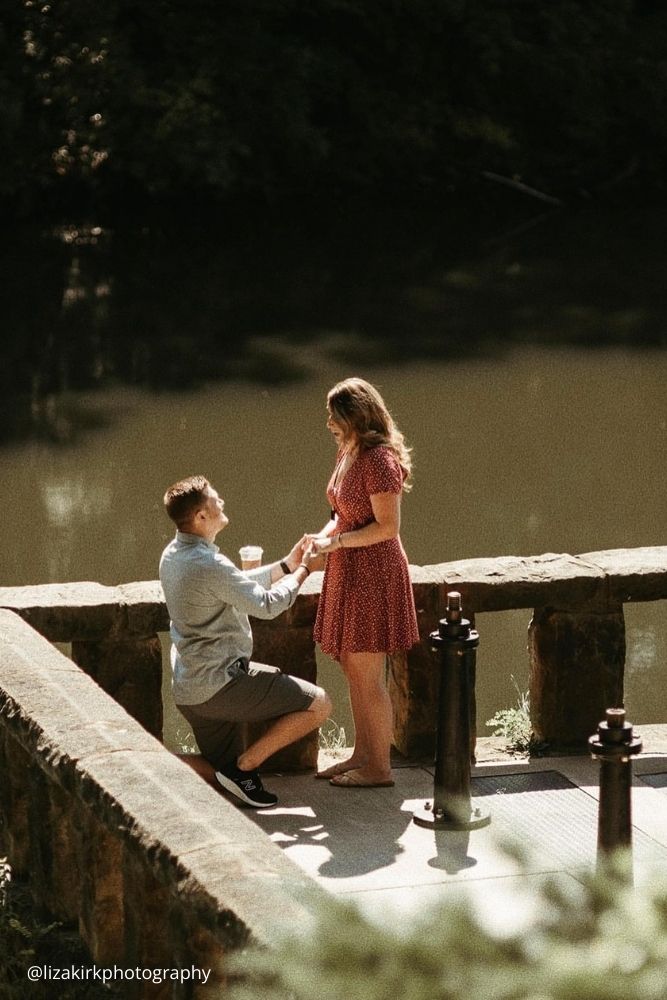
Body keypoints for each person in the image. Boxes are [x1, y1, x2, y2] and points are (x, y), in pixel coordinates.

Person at [159, 474, 331, 808]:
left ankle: (147, 770)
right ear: (201, 517)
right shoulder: (210, 563)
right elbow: (267, 606)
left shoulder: (173, 554)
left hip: (190, 690)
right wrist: (305, 571)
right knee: (319, 704)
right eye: (214, 499)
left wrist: (286, 565)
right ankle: (248, 765)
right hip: (221, 686)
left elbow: (232, 583)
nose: (221, 500)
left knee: (217, 771)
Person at [307, 377, 419, 788]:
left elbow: (387, 527)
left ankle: (380, 768)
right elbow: (342, 511)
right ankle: (361, 754)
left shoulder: (379, 461)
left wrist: (335, 542)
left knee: (368, 675)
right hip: (348, 569)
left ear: (356, 416)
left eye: (334, 416)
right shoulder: (348, 451)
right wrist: (323, 538)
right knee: (353, 667)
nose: (329, 423)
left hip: (375, 572)